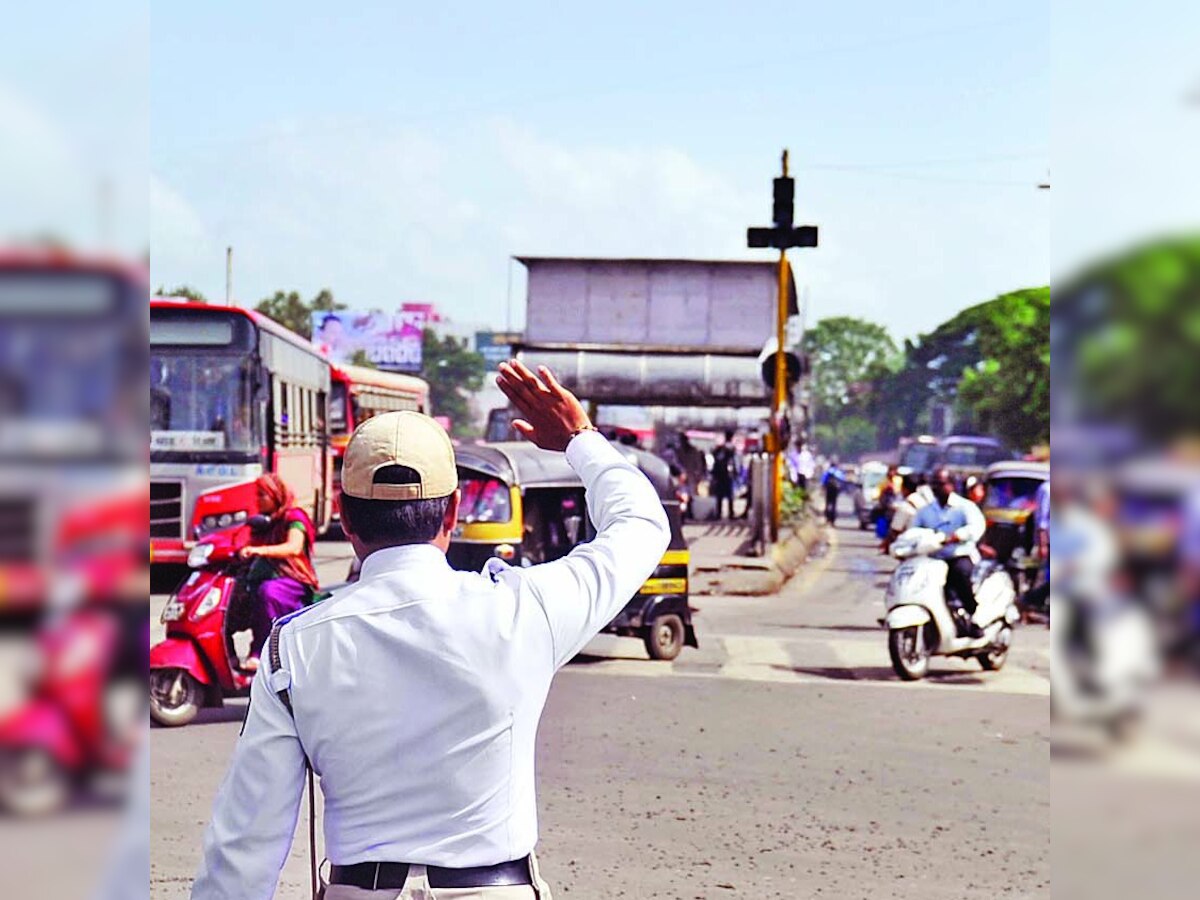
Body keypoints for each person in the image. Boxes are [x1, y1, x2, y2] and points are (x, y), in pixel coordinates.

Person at [190, 359, 670, 900]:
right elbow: (641, 526)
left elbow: (244, 848)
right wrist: (580, 439)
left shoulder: (293, 647)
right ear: (453, 514)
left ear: (345, 520)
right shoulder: (523, 609)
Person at [235, 473, 318, 671]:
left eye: (262, 495)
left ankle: (264, 651)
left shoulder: (294, 517)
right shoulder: (266, 521)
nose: (258, 500)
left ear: (276, 495)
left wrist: (259, 551)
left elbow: (294, 547)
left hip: (293, 580)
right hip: (268, 576)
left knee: (268, 592)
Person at [912, 468, 987, 637]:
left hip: (958, 555)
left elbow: (976, 527)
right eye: (934, 484)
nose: (937, 488)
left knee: (960, 573)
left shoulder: (964, 507)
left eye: (941, 484)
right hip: (933, 558)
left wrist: (957, 536)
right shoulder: (926, 511)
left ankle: (973, 615)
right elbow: (913, 530)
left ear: (952, 485)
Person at [711, 429, 738, 520]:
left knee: (720, 495)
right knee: (729, 495)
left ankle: (719, 513)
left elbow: (714, 455)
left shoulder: (720, 448)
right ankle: (730, 513)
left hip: (719, 474)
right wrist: (735, 473)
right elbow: (732, 461)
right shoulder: (730, 448)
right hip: (727, 475)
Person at [821, 457, 846, 525]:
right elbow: (843, 480)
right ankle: (832, 520)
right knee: (834, 505)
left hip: (828, 490)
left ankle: (827, 518)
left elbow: (823, 481)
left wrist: (823, 489)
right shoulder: (838, 472)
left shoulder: (828, 472)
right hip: (835, 491)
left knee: (827, 504)